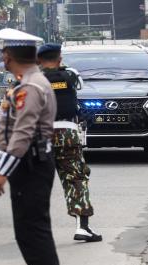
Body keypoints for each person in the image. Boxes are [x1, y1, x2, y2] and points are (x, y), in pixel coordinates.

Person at [0, 28, 61, 265]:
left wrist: (3, 171)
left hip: (31, 166)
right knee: (29, 232)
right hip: (28, 163)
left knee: (33, 233)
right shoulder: (29, 83)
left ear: (7, 56)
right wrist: (5, 164)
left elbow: (24, 133)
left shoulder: (31, 87)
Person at [37, 43, 102, 242]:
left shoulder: (32, 80)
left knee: (38, 184)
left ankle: (35, 230)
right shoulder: (70, 77)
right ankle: (82, 227)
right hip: (67, 133)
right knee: (76, 179)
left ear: (39, 60)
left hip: (40, 136)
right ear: (60, 58)